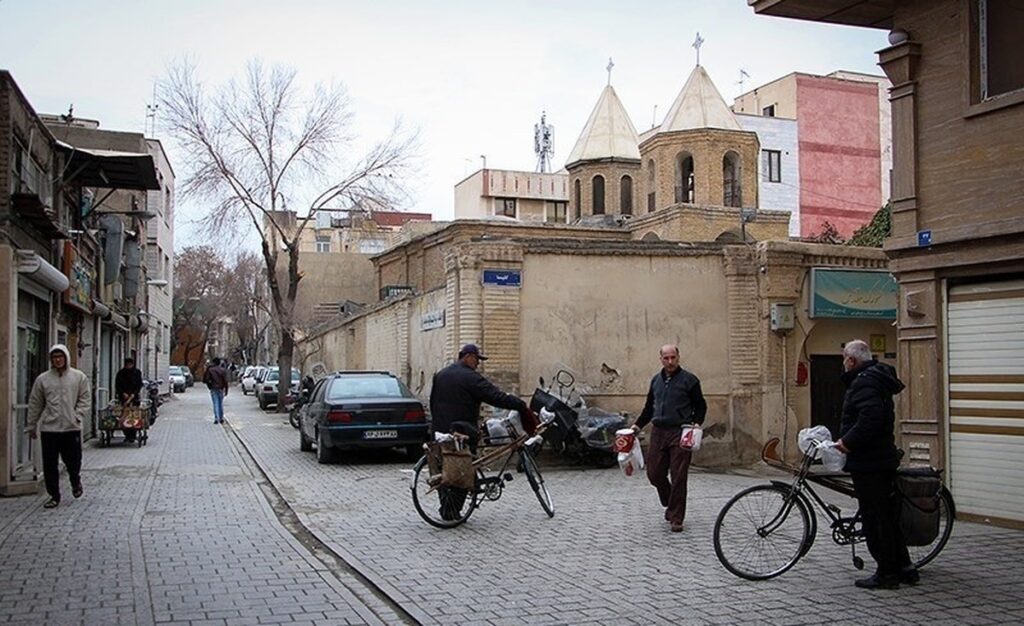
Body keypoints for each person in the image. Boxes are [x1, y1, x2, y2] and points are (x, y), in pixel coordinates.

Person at [834, 339, 915, 589]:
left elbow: (871, 418)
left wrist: (847, 442)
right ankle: (905, 567)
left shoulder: (865, 381)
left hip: (870, 461)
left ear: (851, 360)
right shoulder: (875, 377)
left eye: (844, 361)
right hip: (879, 458)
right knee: (887, 516)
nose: (844, 365)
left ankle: (887, 573)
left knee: (876, 519)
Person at [429, 343, 536, 519]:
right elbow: (494, 396)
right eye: (477, 359)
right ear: (469, 356)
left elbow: (433, 402)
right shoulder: (471, 378)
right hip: (462, 431)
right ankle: (452, 511)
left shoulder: (441, 374)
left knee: (446, 469)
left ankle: (447, 508)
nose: (478, 363)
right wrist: (519, 404)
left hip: (440, 430)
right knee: (463, 469)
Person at [631, 344, 706, 533]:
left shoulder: (690, 380)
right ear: (661, 359)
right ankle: (670, 501)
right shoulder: (656, 380)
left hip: (680, 432)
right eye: (666, 358)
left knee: (679, 475)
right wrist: (637, 425)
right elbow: (649, 407)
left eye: (673, 357)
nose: (670, 361)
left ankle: (676, 518)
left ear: (678, 357)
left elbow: (701, 405)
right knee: (654, 473)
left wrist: (697, 423)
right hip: (658, 431)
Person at [26, 344, 91, 509]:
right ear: (51, 360)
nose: (58, 360)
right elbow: (35, 403)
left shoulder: (78, 377)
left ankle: (75, 482)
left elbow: (85, 398)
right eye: (54, 357)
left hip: (71, 428)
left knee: (73, 461)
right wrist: (32, 425)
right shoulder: (43, 379)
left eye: (60, 357)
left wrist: (77, 415)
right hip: (50, 429)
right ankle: (54, 495)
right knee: (49, 464)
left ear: (66, 358)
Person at [114, 357, 144, 443]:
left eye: (130, 364)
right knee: (124, 417)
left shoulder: (137, 373)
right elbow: (118, 385)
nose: (128, 366)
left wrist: (133, 394)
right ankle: (127, 435)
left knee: (133, 417)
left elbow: (139, 384)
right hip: (123, 399)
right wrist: (123, 393)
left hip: (134, 399)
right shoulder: (121, 373)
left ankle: (133, 435)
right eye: (127, 364)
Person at [202, 357, 229, 424]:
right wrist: (226, 390)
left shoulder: (210, 370)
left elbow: (206, 380)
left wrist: (210, 386)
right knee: (220, 403)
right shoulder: (222, 370)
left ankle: (216, 418)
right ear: (219, 363)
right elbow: (225, 381)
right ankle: (221, 418)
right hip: (221, 388)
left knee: (215, 403)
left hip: (214, 388)